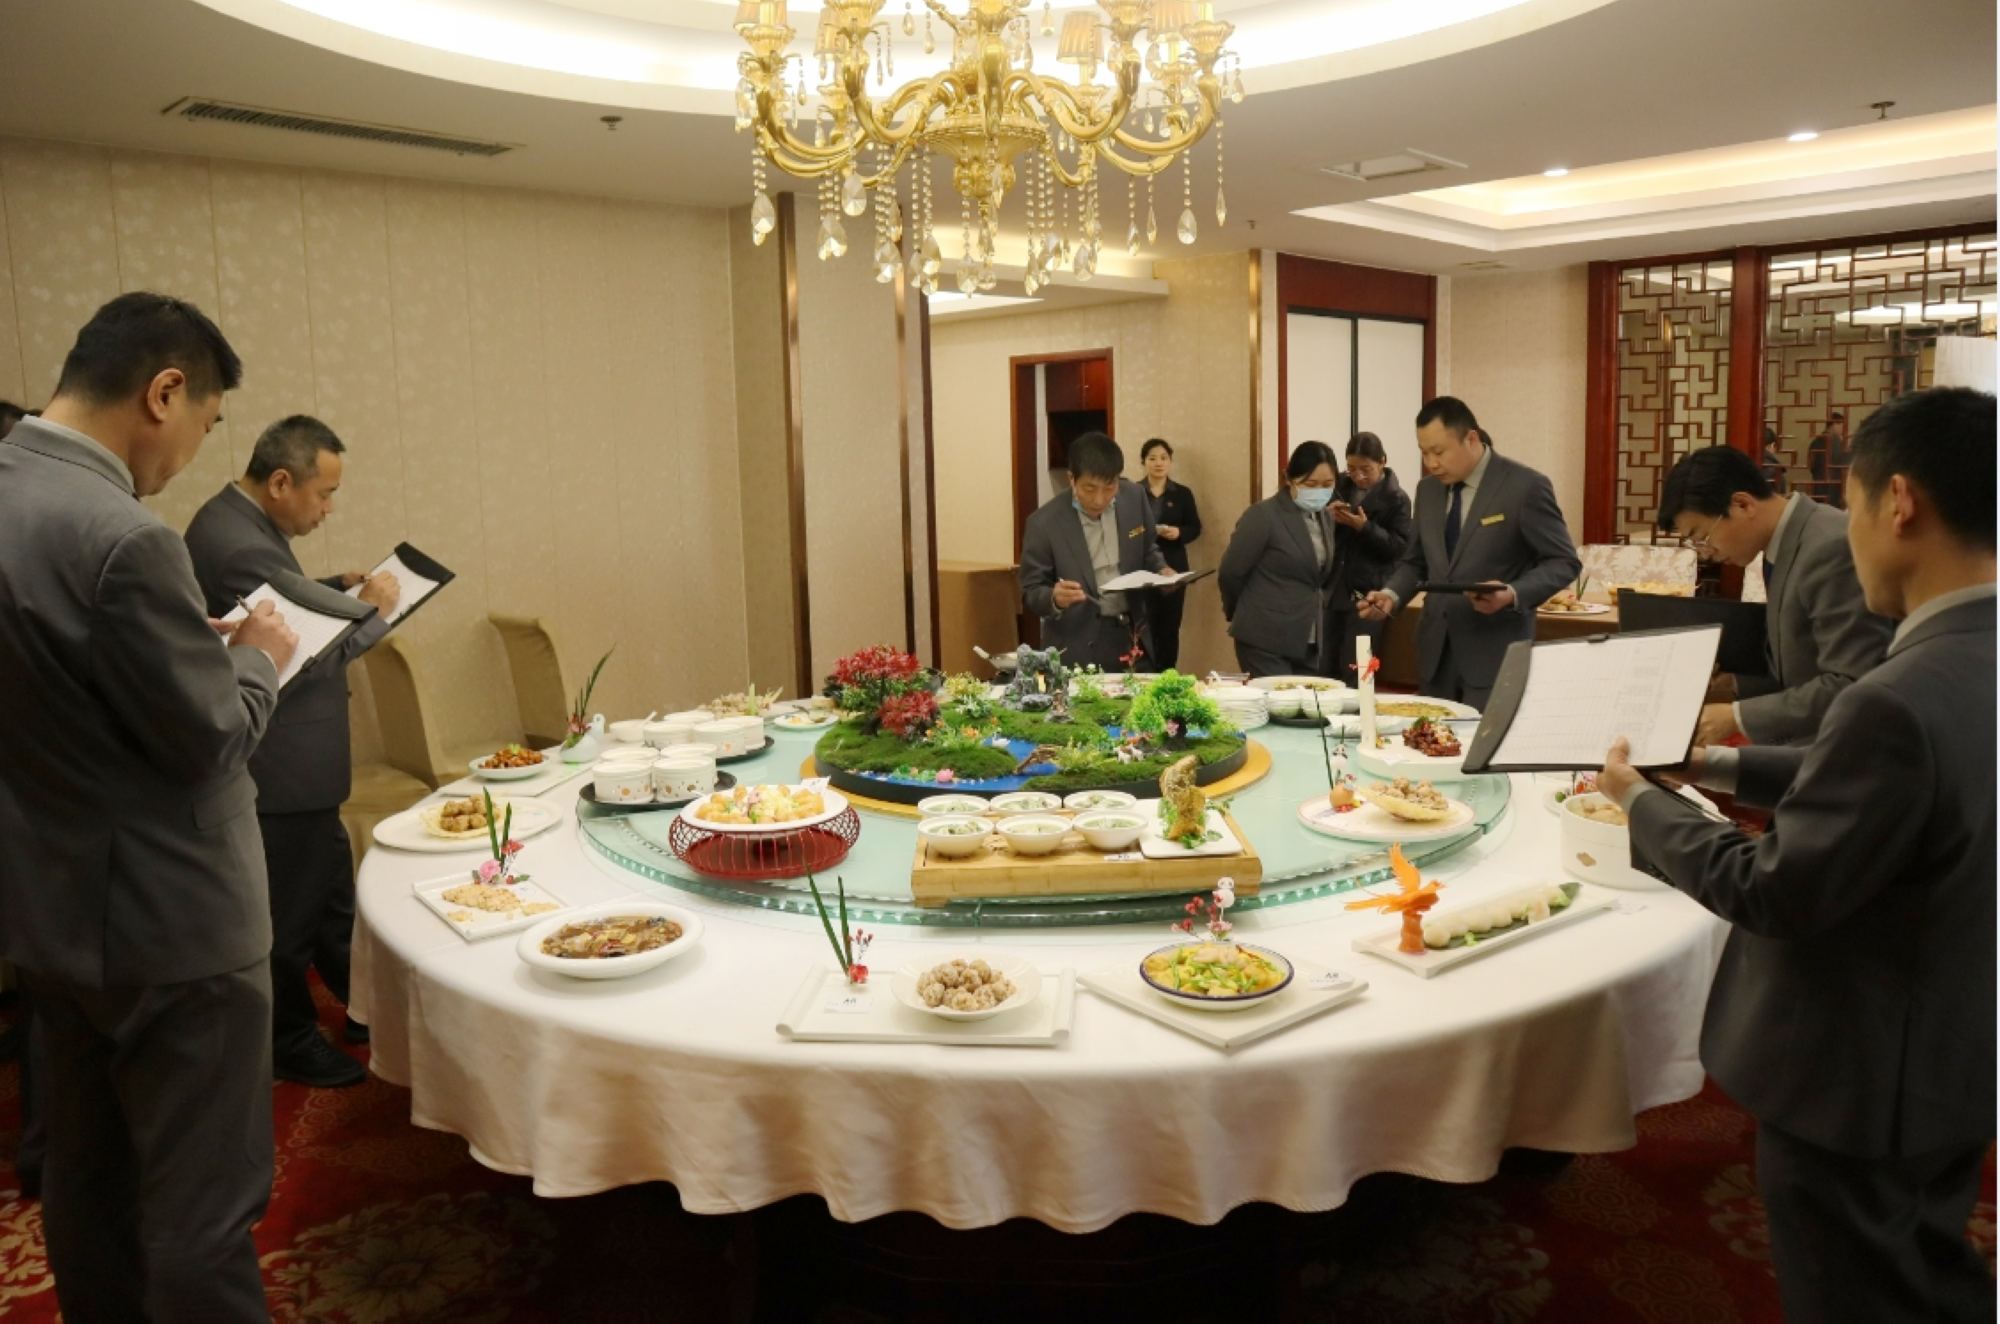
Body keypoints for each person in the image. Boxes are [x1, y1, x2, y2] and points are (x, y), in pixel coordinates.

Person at [1598, 386, 1995, 1324]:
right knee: (1923, 1267)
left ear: (1899, 502)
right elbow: (1894, 799)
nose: (1847, 537)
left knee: (1854, 1290)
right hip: (1958, 1047)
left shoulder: (1894, 696)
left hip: (1860, 1075)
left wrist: (1639, 800)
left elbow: (1770, 889)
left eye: (1850, 508)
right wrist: (1718, 763)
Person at [0, 291, 299, 1321]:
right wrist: (257, 660)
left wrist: (180, 649)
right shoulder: (123, 534)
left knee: (87, 1180)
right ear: (165, 392)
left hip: (51, 906)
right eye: (206, 424)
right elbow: (210, 738)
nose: (190, 453)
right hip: (175, 924)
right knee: (201, 1208)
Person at [185, 415, 401, 1088]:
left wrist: (333, 586)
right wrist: (377, 612)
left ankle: (366, 1009)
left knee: (332, 901)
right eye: (323, 493)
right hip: (280, 767)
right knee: (291, 915)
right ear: (281, 482)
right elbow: (304, 652)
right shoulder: (238, 543)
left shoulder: (237, 523)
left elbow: (283, 605)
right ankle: (290, 1040)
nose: (327, 509)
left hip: (295, 766)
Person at [1657, 444, 1891, 746]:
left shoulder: (1828, 548)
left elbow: (1852, 683)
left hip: (1841, 749)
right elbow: (1800, 668)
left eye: (1702, 537)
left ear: (1743, 505)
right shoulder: (1785, 543)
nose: (1706, 553)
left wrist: (1736, 716)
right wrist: (1734, 685)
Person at [1360, 397, 1580, 710]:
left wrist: (1512, 593)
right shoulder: (1428, 491)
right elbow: (1416, 562)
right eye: (1424, 452)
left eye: (1439, 452)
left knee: (1483, 741)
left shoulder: (1524, 486)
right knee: (1429, 737)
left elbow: (1564, 561)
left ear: (1471, 438)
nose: (1431, 463)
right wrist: (1391, 595)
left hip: (1495, 654)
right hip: (1435, 654)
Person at [1019, 431, 1171, 672]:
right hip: (1077, 644)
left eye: (1109, 487)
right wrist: (1054, 598)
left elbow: (1148, 547)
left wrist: (1162, 569)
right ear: (1072, 479)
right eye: (1089, 488)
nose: (1099, 499)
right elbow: (1031, 590)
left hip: (1132, 635)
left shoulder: (1134, 497)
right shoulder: (1044, 523)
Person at [1218, 441, 1341, 677]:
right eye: (1310, 484)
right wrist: (1239, 610)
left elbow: (1317, 576)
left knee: (1309, 700)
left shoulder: (1325, 517)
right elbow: (1231, 572)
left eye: (1327, 484)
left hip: (1307, 636)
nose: (1319, 491)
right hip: (1264, 636)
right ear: (1289, 479)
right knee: (1277, 699)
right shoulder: (1263, 515)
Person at [1326, 431, 1413, 683]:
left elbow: (1400, 548)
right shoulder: (1339, 487)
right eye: (1352, 469)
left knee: (1356, 669)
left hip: (1369, 592)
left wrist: (1364, 528)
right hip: (1335, 587)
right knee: (1325, 667)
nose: (1358, 476)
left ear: (1382, 461)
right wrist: (1327, 517)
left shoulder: (1397, 498)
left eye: (1366, 469)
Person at [1138, 437, 1201, 671]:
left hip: (1174, 567)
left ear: (1170, 462)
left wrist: (1179, 532)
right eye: (1152, 458)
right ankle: (1144, 673)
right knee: (1144, 625)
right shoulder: (1134, 492)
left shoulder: (1182, 493)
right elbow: (1126, 529)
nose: (1158, 463)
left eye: (1164, 458)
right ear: (1143, 462)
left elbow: (1195, 527)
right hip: (1141, 568)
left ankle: (1168, 672)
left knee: (1170, 626)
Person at [1807, 410, 1850, 498]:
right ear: (1834, 424)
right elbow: (1845, 464)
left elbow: (1810, 465)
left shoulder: (1815, 442)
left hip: (1818, 486)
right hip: (1835, 487)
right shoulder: (1838, 443)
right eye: (1842, 426)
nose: (1843, 430)